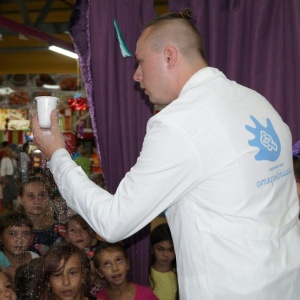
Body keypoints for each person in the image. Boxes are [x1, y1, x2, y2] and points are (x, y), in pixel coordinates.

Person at [31, 8, 300, 299]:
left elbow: (114, 221)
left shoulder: (179, 123)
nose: (136, 75)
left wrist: (57, 154)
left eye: (141, 62)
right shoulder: (257, 102)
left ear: (169, 56)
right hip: (286, 280)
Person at [17, 176, 66, 256]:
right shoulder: (10, 230)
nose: (37, 200)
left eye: (42, 195)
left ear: (48, 198)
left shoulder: (61, 230)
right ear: (20, 200)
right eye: (31, 196)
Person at [94, 242, 158, 299]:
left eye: (118, 260)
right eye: (106, 264)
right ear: (100, 272)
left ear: (127, 264)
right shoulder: (98, 298)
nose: (115, 268)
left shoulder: (145, 294)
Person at [66, 214, 106, 296]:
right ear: (67, 237)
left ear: (92, 233)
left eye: (84, 229)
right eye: (73, 230)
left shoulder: (101, 253)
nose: (78, 234)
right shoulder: (65, 256)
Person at [0, 212, 39, 278]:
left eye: (25, 233)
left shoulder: (35, 258)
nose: (19, 240)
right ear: (1, 238)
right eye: (12, 233)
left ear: (31, 238)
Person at [149, 223, 178, 300]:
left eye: (171, 250)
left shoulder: (179, 274)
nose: (165, 255)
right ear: (152, 249)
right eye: (160, 249)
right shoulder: (145, 274)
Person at [0, 145, 17, 212]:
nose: (10, 152)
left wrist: (15, 179)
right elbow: (2, 171)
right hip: (6, 178)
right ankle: (6, 211)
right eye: (8, 151)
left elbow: (15, 171)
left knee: (12, 195)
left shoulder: (13, 160)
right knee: (7, 196)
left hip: (12, 179)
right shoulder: (4, 160)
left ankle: (11, 210)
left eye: (11, 151)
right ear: (6, 152)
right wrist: (3, 180)